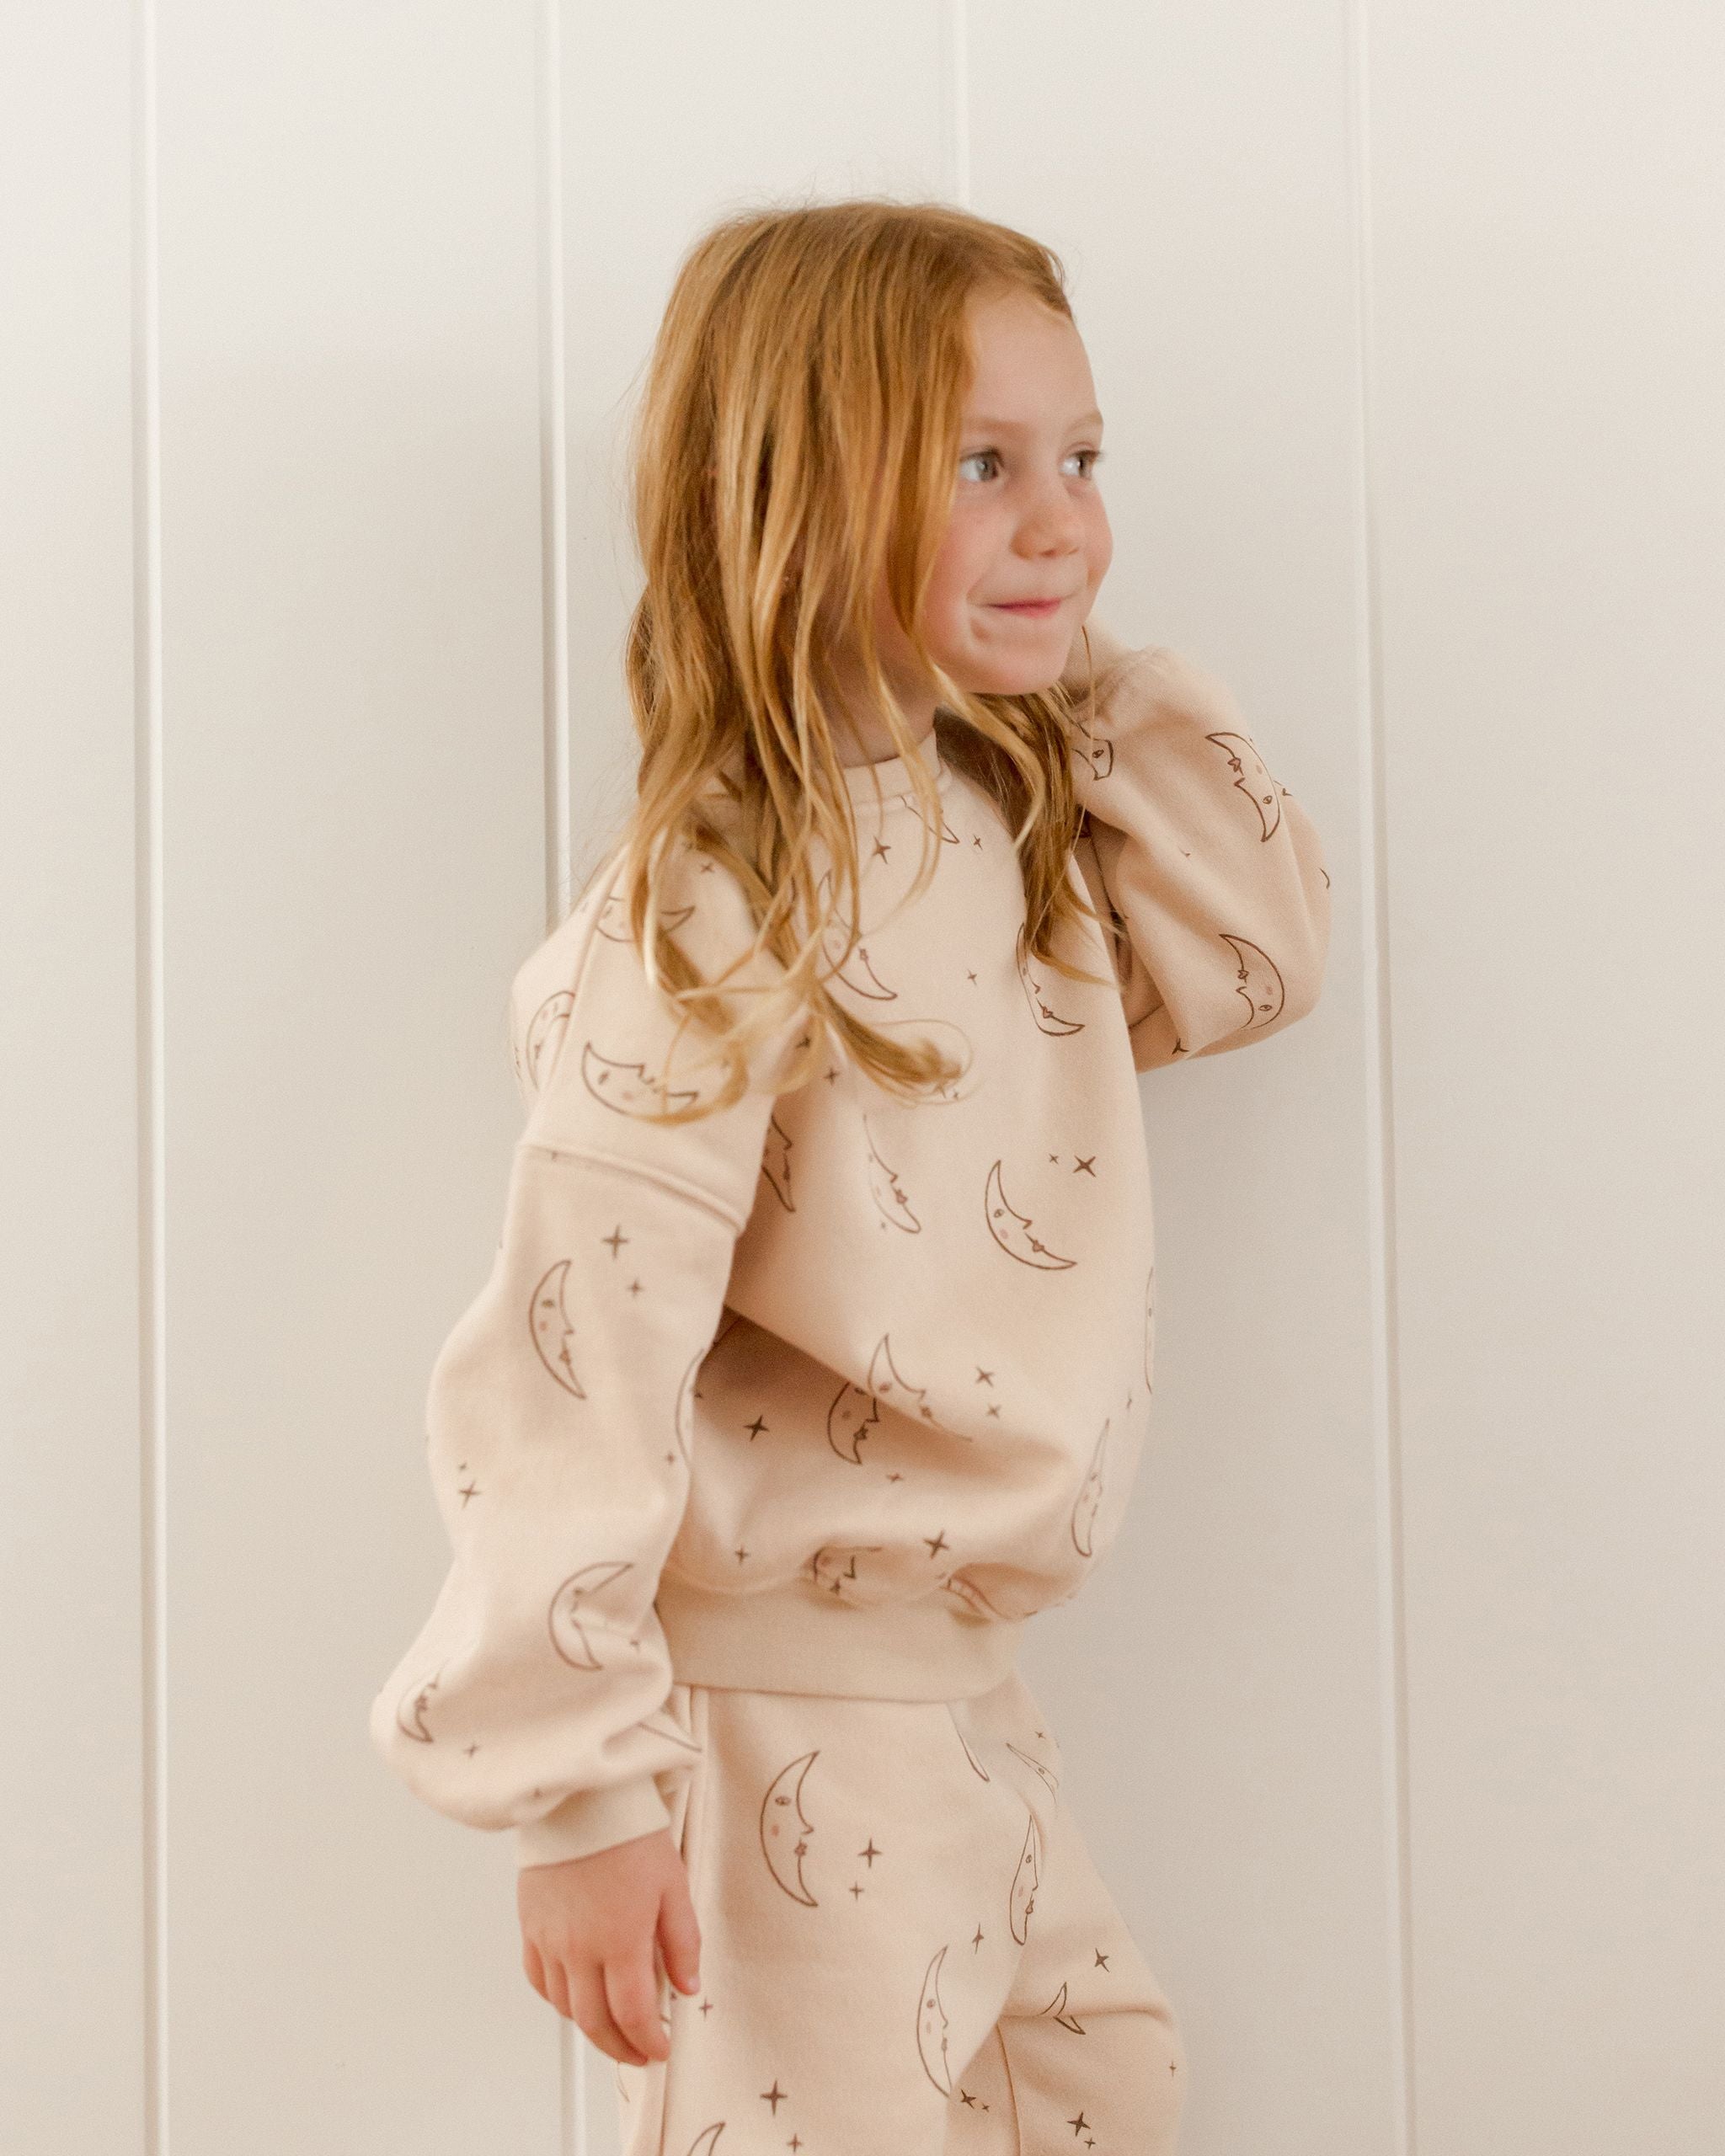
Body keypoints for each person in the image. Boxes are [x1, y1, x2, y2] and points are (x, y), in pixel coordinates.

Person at [368, 196, 1331, 2153]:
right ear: (799, 494)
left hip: (961, 1688)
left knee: (1097, 2081)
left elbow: (1259, 946)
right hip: (777, 1701)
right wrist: (576, 1787)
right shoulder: (714, 905)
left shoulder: (1005, 830)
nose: (1064, 522)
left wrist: (1057, 666)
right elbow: (579, 1340)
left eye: (1081, 460)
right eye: (981, 466)